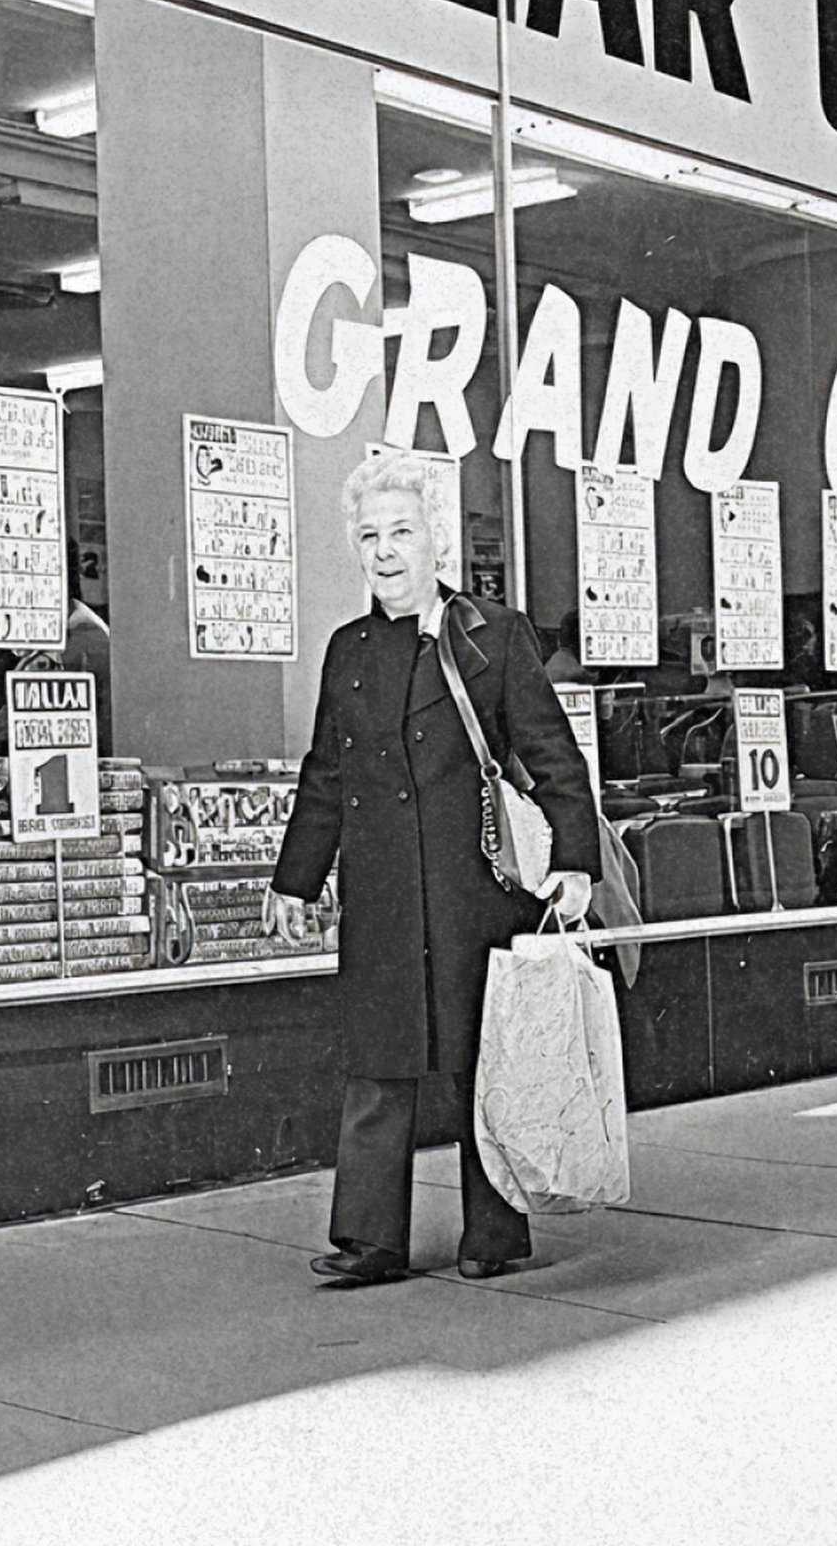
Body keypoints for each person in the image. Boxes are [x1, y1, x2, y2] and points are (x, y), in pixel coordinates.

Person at [269, 450, 606, 1286]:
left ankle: (494, 1234)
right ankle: (369, 1239)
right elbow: (326, 774)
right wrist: (295, 878)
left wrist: (574, 859)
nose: (386, 551)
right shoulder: (347, 650)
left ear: (435, 543)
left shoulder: (493, 634)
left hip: (473, 887)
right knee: (378, 1064)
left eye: (403, 533)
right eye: (370, 535)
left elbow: (552, 754)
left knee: (477, 1058)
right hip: (382, 893)